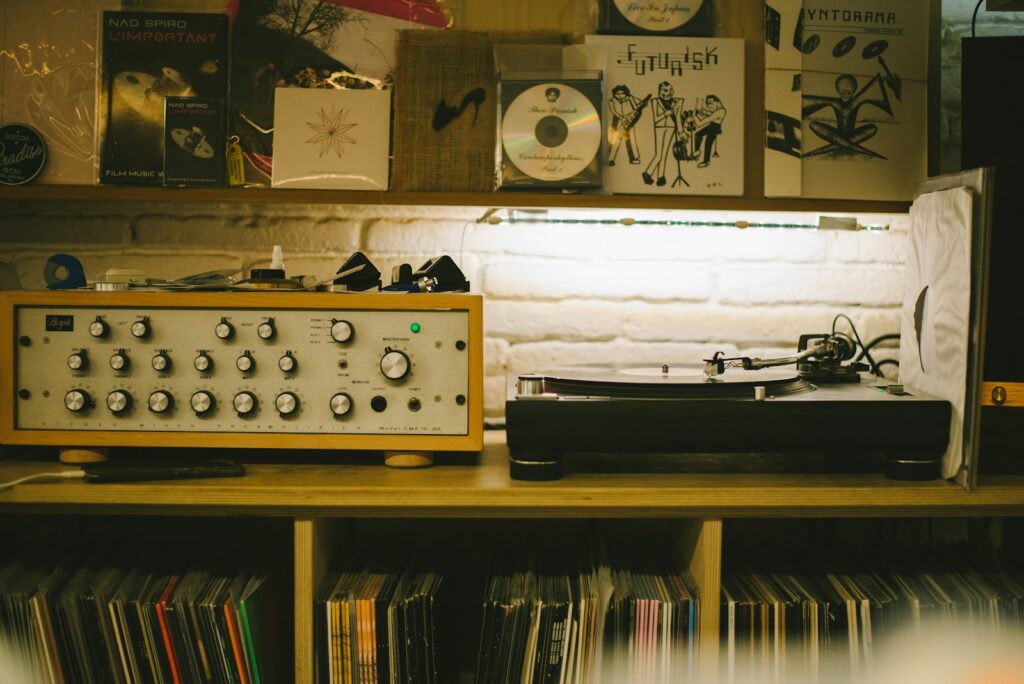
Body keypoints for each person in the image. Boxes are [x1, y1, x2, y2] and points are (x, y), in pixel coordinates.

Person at [802, 72, 894, 159]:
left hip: (852, 135)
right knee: (813, 124)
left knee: (873, 128)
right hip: (838, 134)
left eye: (849, 92)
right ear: (838, 92)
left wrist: (885, 81)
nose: (846, 96)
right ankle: (853, 147)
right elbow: (816, 101)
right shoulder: (836, 103)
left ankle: (834, 146)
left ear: (854, 92)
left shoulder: (856, 101)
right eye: (842, 93)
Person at [643, 81, 684, 186]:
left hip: (671, 127)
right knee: (659, 154)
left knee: (664, 153)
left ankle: (661, 176)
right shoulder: (655, 101)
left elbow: (678, 118)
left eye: (670, 90)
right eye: (665, 90)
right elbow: (656, 119)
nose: (667, 92)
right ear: (659, 91)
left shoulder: (678, 102)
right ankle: (647, 173)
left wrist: (681, 132)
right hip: (660, 127)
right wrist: (667, 113)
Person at [608, 85, 642, 166]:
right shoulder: (611, 101)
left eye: (622, 93)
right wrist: (621, 118)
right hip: (617, 121)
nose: (620, 95)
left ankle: (634, 158)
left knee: (631, 139)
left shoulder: (630, 98)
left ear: (626, 93)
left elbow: (636, 107)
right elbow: (613, 111)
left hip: (629, 119)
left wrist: (631, 99)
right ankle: (610, 159)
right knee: (616, 140)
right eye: (617, 94)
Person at [690, 95, 726, 168]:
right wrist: (704, 112)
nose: (709, 106)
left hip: (715, 128)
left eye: (711, 104)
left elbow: (700, 124)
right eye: (708, 104)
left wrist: (694, 116)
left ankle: (706, 161)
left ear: (717, 102)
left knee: (708, 143)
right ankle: (697, 151)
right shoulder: (717, 109)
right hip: (711, 126)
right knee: (697, 134)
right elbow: (710, 113)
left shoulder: (721, 111)